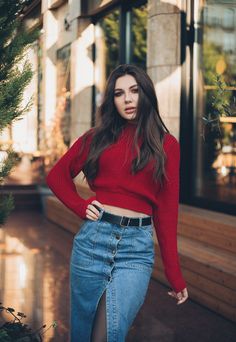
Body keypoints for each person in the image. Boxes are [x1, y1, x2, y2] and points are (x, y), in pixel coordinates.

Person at [46, 64, 188, 342]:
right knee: (84, 332)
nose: (127, 99)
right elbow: (57, 176)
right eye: (119, 93)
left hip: (136, 250)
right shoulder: (96, 138)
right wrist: (79, 205)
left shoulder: (166, 144)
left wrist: (174, 272)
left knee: (110, 332)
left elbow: (167, 211)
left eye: (134, 91)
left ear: (146, 94)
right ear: (112, 100)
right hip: (93, 241)